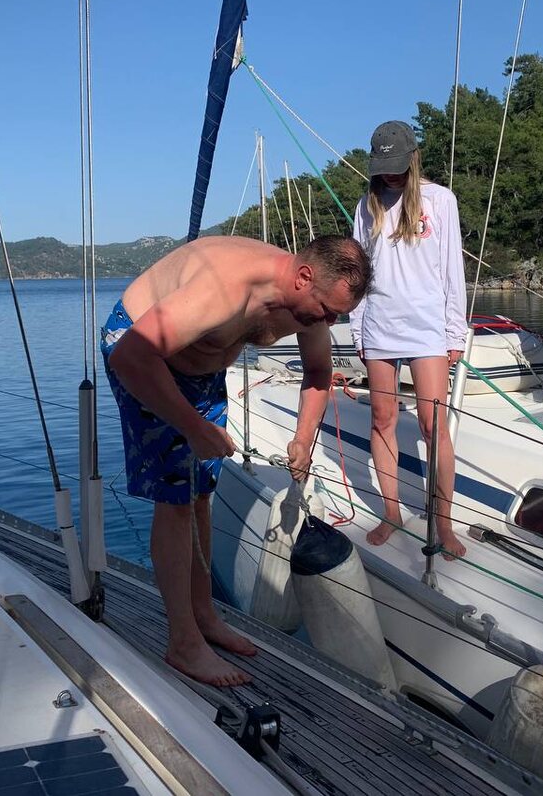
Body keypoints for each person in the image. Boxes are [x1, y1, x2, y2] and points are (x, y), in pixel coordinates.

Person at [101, 234, 372, 687]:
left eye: (337, 316)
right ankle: (183, 643)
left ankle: (204, 616)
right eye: (327, 311)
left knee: (201, 496)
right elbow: (132, 355)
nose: (329, 322)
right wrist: (192, 426)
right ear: (304, 277)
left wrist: (303, 439)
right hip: (142, 355)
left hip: (202, 370)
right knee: (176, 500)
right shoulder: (225, 289)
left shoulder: (308, 301)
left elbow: (318, 372)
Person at [351, 120, 468, 559]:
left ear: (413, 158)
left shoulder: (440, 200)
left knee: (432, 425)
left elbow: (452, 269)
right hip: (379, 323)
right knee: (382, 418)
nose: (390, 175)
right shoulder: (367, 206)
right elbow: (358, 271)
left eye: (397, 166)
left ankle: (443, 522)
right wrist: (357, 327)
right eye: (383, 167)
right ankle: (392, 512)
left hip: (427, 326)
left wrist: (455, 331)